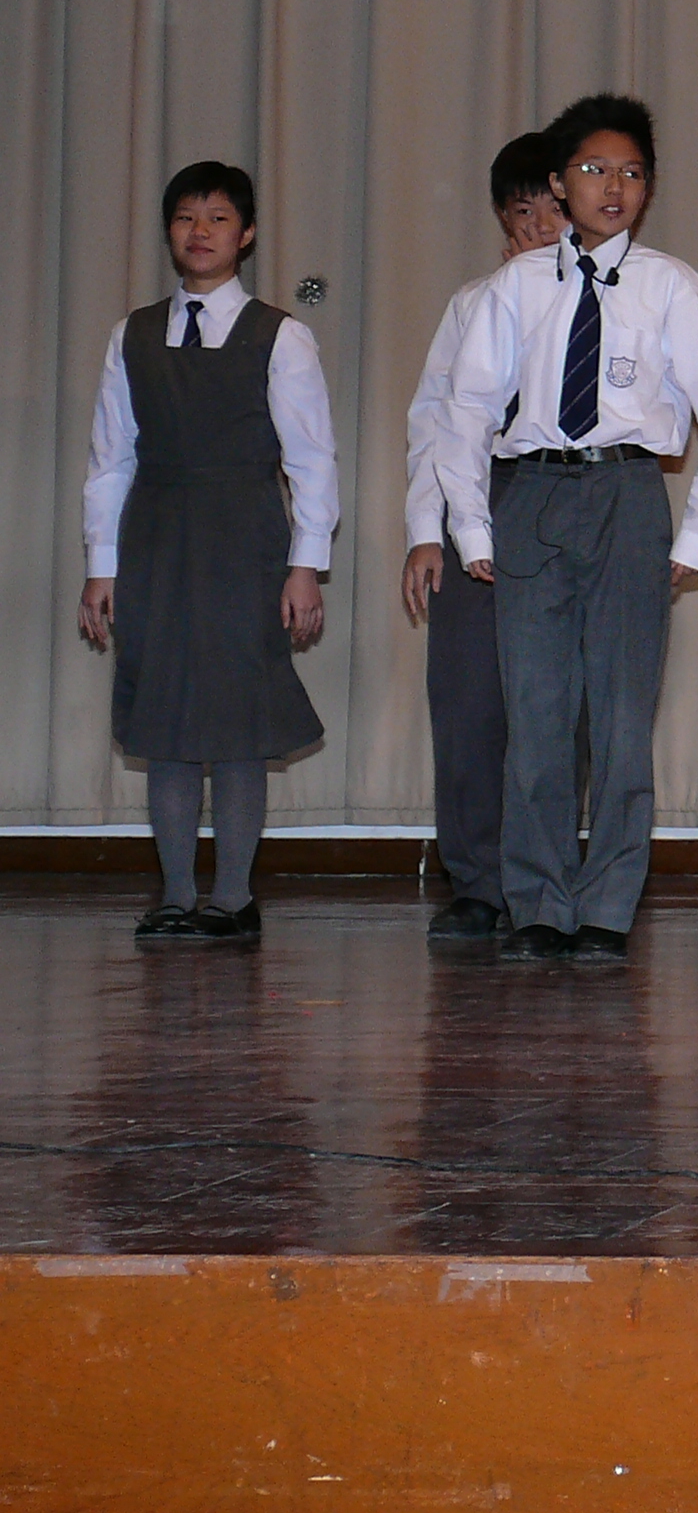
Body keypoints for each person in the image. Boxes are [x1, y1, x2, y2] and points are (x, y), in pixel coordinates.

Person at [442, 95, 698, 964]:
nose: (612, 187)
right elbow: (466, 410)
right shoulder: (514, 287)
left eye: (631, 173)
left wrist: (696, 543)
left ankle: (609, 905)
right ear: (557, 183)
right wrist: (472, 529)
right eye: (592, 170)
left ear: (648, 188)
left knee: (622, 718)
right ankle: (539, 902)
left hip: (627, 495)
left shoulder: (669, 284)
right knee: (537, 714)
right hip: (531, 496)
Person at [77, 161, 340, 942]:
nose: (201, 232)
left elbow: (312, 460)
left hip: (245, 539)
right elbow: (110, 458)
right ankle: (173, 895)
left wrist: (305, 566)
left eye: (219, 217)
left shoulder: (281, 335)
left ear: (246, 234)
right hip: (154, 538)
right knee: (164, 720)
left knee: (236, 724)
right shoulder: (130, 335)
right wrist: (100, 567)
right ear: (169, 231)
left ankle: (232, 899)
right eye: (186, 217)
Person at [400, 133, 564, 942]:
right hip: (477, 496)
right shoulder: (473, 302)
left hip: (566, 502)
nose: (539, 228)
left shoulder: (615, 296)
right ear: (503, 220)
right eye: (523, 213)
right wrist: (423, 530)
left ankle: (549, 882)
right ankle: (475, 881)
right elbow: (434, 419)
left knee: (555, 707)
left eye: (552, 211)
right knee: (468, 702)